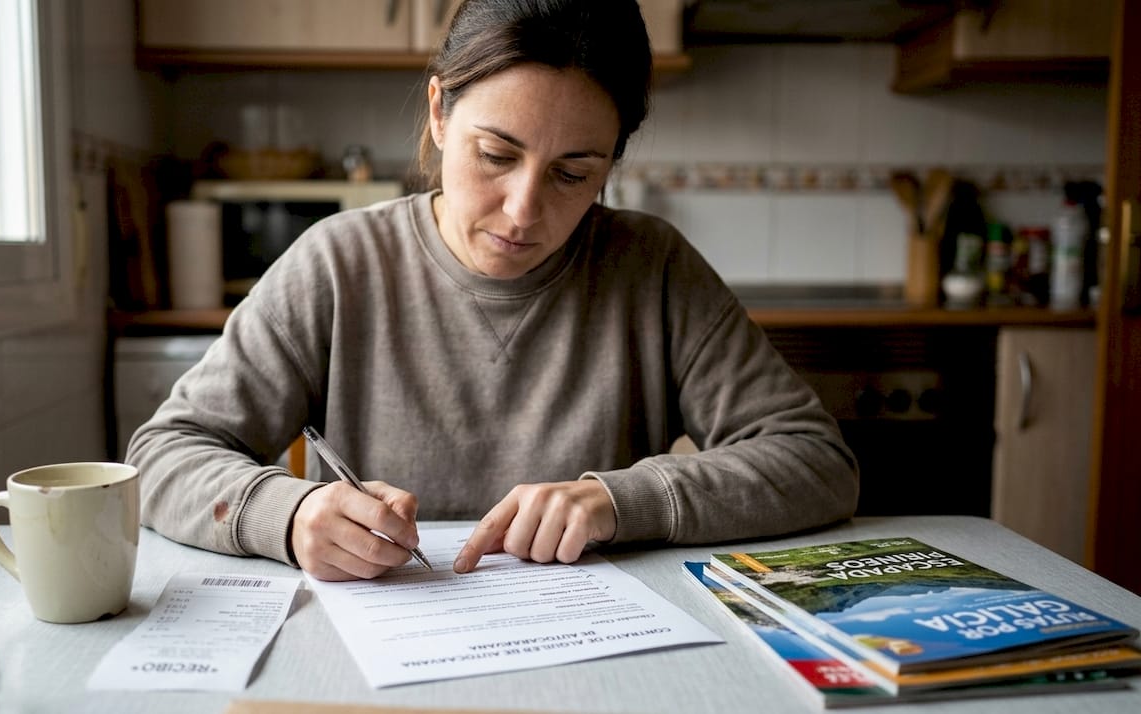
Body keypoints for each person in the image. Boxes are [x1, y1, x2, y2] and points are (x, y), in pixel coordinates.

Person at [127, 0, 859, 582]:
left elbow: (815, 462)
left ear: (612, 161)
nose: (522, 211)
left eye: (573, 173)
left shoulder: (652, 267)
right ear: (441, 112)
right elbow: (164, 454)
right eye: (496, 155)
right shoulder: (337, 263)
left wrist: (621, 499)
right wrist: (290, 514)